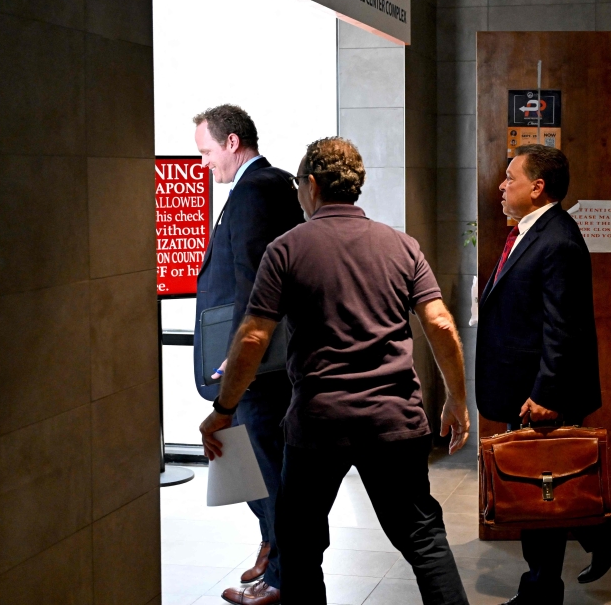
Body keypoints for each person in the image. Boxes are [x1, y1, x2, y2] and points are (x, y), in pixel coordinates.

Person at [198, 137, 472, 605]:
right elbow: (441, 323)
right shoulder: (402, 247)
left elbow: (251, 337)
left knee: (301, 547)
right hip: (394, 420)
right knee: (423, 539)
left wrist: (223, 410)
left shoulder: (286, 249)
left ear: (310, 185)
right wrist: (456, 399)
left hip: (318, 425)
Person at [475, 144, 611, 605]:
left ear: (537, 187)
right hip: (522, 384)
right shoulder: (532, 232)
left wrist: (546, 391)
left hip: (539, 391)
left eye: (511, 177)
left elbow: (562, 326)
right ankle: (607, 539)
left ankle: (541, 592)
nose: (502, 185)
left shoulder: (557, 239)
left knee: (539, 491)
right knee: (550, 481)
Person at [191, 105, 302, 603]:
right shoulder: (258, 187)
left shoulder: (258, 188)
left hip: (258, 367)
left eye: (207, 151)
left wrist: (238, 361)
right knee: (256, 467)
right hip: (257, 364)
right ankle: (274, 555)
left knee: (269, 469)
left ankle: (281, 576)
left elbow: (256, 284)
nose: (205, 163)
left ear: (232, 143)